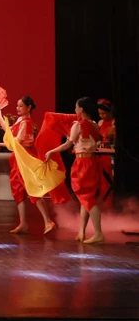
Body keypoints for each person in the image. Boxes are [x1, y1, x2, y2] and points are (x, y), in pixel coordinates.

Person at [0, 97, 55, 234]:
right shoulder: (20, 120)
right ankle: (23, 223)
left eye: (20, 106)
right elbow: (8, 132)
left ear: (28, 107)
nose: (17, 108)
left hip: (24, 158)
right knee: (18, 190)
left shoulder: (26, 122)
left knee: (32, 188)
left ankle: (48, 221)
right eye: (17, 106)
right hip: (17, 158)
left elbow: (17, 141)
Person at [45, 97, 104, 243]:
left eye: (76, 107)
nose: (75, 110)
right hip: (92, 161)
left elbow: (67, 145)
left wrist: (51, 151)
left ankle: (98, 233)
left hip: (82, 162)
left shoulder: (78, 125)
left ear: (81, 109)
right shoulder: (95, 124)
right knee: (86, 197)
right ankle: (81, 232)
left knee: (87, 197)